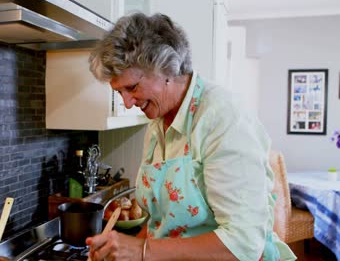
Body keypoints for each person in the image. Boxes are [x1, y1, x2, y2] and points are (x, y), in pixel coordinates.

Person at [85, 13, 296, 261]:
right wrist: (121, 247)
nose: (128, 103)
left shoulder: (223, 117)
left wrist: (141, 251)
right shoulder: (157, 124)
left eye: (132, 88)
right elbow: (162, 224)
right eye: (119, 92)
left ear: (165, 68)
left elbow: (244, 244)